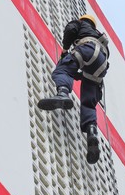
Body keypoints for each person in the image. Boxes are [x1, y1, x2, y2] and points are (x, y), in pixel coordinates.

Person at [37, 14, 109, 164]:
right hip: (101, 65)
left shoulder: (81, 24)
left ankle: (62, 93)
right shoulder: (99, 36)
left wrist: (65, 49)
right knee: (89, 102)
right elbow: (86, 69)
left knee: (62, 70)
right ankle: (92, 131)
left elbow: (70, 29)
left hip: (87, 48)